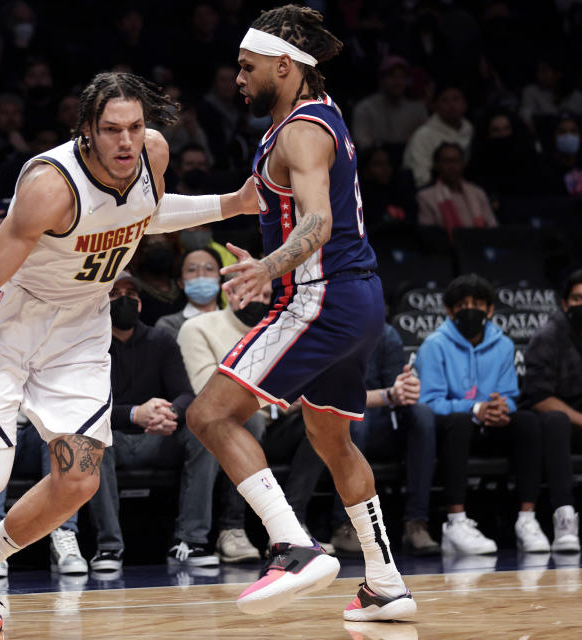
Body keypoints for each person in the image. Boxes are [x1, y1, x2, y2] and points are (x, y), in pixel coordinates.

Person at [0, 71, 259, 633]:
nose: (126, 141)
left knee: (80, 480)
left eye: (135, 127)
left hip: (80, 329)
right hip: (9, 325)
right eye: (112, 129)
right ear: (86, 129)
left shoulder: (151, 155)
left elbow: (144, 213)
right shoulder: (50, 184)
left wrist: (233, 202)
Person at [183, 6, 416, 622]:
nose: (237, 78)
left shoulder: (300, 131)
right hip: (357, 300)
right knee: (330, 437)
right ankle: (386, 580)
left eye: (247, 66)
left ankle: (293, 546)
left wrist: (271, 265)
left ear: (284, 66)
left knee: (209, 414)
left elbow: (318, 220)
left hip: (322, 298)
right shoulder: (314, 118)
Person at [177, 278, 324, 561]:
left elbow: (303, 387)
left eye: (268, 295)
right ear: (231, 293)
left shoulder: (280, 330)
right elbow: (204, 392)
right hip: (224, 427)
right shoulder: (198, 327)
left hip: (275, 424)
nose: (262, 301)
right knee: (245, 421)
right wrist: (279, 396)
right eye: (255, 293)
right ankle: (231, 529)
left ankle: (292, 525)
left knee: (320, 420)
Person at [415, 274, 555, 555]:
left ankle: (527, 519)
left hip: (491, 425)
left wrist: (503, 408)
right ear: (450, 311)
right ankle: (456, 522)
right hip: (452, 429)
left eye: (478, 304)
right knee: (459, 421)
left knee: (527, 421)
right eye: (463, 304)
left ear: (490, 310)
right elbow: (429, 401)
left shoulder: (503, 345)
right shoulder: (434, 345)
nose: (471, 310)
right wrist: (475, 408)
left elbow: (511, 395)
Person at [89, 271, 215, 571]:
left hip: (156, 437)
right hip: (112, 437)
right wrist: (134, 413)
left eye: (131, 295)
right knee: (91, 440)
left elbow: (186, 393)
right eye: (114, 294)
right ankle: (108, 547)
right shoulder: (87, 346)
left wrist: (169, 412)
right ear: (100, 303)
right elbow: (86, 408)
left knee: (204, 435)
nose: (124, 300)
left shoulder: (161, 340)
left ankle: (190, 540)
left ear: (141, 304)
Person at [327, 325, 439, 557]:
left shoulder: (386, 334)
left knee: (423, 414)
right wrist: (388, 395)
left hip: (383, 424)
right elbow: (337, 396)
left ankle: (415, 523)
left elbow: (395, 389)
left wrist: (405, 388)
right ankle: (345, 525)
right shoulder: (328, 331)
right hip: (339, 424)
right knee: (355, 418)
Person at [514, 268, 582, 553]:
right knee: (555, 421)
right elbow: (539, 396)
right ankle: (564, 516)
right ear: (565, 303)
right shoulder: (549, 335)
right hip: (557, 423)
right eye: (577, 299)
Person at [416, 143, 497, 238]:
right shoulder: (426, 197)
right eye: (447, 161)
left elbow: (493, 227)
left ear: (463, 164)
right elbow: (429, 235)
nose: (452, 166)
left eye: (456, 161)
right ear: (437, 165)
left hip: (480, 246)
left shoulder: (477, 192)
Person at [403, 84, 474, 188]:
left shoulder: (471, 130)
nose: (451, 105)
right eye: (445, 100)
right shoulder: (423, 135)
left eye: (456, 99)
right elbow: (421, 176)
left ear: (465, 104)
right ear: (435, 106)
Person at [351, 56, 427, 150]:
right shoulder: (365, 108)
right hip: (374, 159)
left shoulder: (417, 110)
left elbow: (425, 142)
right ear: (381, 80)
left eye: (402, 76)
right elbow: (360, 141)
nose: (397, 81)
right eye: (392, 76)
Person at [154, 247, 223, 340]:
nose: (201, 275)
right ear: (180, 282)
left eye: (209, 268)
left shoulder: (236, 321)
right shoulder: (168, 325)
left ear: (220, 281)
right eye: (192, 269)